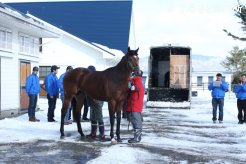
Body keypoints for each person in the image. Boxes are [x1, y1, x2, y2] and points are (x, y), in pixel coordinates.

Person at [85, 65, 105, 141]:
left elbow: (102, 89)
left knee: (99, 118)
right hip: (91, 101)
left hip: (97, 101)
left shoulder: (98, 79)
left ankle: (102, 133)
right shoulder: (89, 79)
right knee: (93, 118)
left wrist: (98, 99)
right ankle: (93, 132)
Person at [126, 70, 145, 143]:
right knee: (135, 121)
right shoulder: (137, 81)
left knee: (136, 121)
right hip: (135, 105)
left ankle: (137, 137)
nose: (132, 75)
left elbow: (134, 88)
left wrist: (129, 81)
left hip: (135, 105)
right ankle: (137, 136)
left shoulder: (137, 82)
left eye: (133, 74)